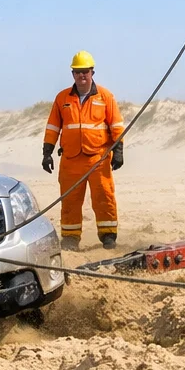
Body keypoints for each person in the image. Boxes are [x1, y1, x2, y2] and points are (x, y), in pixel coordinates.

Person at [43, 51, 125, 249]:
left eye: (85, 72)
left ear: (92, 73)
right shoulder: (62, 98)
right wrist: (47, 152)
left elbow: (116, 125)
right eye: (78, 72)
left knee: (104, 196)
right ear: (73, 74)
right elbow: (53, 126)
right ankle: (71, 237)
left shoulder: (105, 96)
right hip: (71, 159)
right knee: (70, 200)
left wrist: (119, 151)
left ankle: (108, 236)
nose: (82, 76)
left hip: (99, 157)